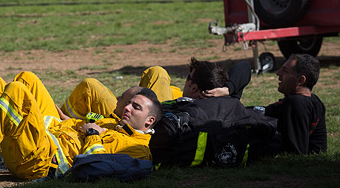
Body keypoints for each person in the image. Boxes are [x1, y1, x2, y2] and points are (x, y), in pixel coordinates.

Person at [0, 71, 162, 183]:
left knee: (17, 92)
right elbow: (82, 126)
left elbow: (94, 163)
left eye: (135, 108)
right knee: (9, 80)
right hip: (47, 135)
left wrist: (93, 135)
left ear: (150, 121)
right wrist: (69, 121)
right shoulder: (114, 123)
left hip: (43, 159)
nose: (126, 108)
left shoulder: (138, 149)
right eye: (128, 103)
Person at [61, 57, 251, 122]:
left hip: (140, 121)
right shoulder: (225, 100)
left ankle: (59, 122)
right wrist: (228, 89)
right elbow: (244, 68)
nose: (184, 80)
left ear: (194, 87)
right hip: (158, 110)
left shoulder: (187, 110)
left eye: (188, 77)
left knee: (90, 87)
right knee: (157, 74)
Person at [265, 54, 327, 154]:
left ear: (301, 80)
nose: (278, 73)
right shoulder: (314, 101)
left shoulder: (296, 104)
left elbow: (295, 152)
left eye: (285, 71)